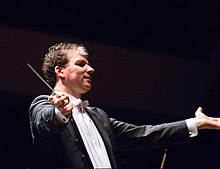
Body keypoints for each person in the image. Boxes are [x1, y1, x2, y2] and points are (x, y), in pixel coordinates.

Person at [29, 42, 220, 169]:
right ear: (60, 71)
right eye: (81, 64)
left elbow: (145, 134)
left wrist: (196, 124)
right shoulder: (43, 104)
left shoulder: (99, 117)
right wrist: (59, 112)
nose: (91, 69)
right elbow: (44, 122)